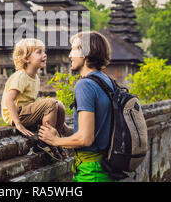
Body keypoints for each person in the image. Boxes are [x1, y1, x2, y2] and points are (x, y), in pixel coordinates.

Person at [38, 31, 119, 182]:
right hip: (107, 166)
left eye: (74, 49)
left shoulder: (85, 84)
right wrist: (66, 130)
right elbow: (99, 127)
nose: (69, 55)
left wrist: (55, 140)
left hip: (92, 171)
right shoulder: (107, 81)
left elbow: (85, 139)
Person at [1, 38, 69, 160]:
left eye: (44, 51)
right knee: (51, 103)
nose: (45, 55)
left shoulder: (35, 77)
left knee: (59, 105)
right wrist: (17, 123)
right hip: (17, 114)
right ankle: (44, 142)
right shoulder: (21, 76)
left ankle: (56, 138)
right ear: (26, 58)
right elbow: (8, 99)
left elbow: (32, 103)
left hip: (27, 111)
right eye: (39, 52)